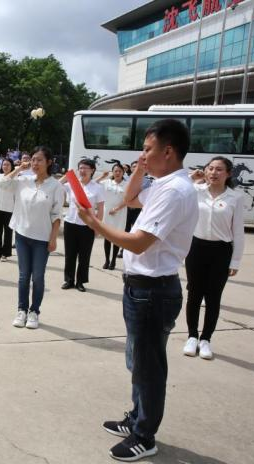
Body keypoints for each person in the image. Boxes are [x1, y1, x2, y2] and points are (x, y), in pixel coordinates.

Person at [77, 119, 197, 462]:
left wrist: (95, 224)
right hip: (141, 289)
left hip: (154, 292)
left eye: (147, 149)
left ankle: (145, 435)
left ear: (168, 151)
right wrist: (141, 169)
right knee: (138, 362)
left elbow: (140, 242)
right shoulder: (161, 184)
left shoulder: (174, 191)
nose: (142, 155)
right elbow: (130, 199)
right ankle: (136, 417)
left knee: (149, 368)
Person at [183, 157, 245, 360]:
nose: (213, 173)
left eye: (219, 169)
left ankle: (206, 339)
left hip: (221, 251)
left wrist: (235, 260)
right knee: (194, 294)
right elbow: (176, 190)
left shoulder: (235, 197)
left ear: (228, 174)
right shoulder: (195, 191)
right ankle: (192, 336)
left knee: (213, 297)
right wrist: (191, 177)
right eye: (210, 168)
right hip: (196, 248)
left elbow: (238, 232)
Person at [0, 147, 63, 329]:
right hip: (22, 235)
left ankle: (34, 311)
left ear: (49, 162)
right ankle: (21, 310)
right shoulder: (23, 180)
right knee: (23, 276)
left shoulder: (55, 186)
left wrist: (53, 239)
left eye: (39, 160)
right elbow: (3, 184)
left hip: (42, 239)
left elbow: (57, 215)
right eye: (33, 159)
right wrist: (20, 168)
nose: (35, 163)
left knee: (38, 277)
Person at [59, 159, 105, 292]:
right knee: (70, 254)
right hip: (70, 223)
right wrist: (68, 175)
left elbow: (100, 209)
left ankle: (80, 282)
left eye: (86, 168)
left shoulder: (97, 187)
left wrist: (98, 227)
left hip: (87, 226)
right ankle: (69, 280)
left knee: (84, 255)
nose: (82, 171)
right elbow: (57, 185)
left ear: (92, 170)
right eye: (80, 168)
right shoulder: (72, 184)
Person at [98, 164, 128, 270]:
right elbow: (93, 184)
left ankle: (113, 260)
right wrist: (102, 176)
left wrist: (116, 209)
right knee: (107, 236)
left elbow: (128, 200)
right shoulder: (107, 183)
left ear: (123, 172)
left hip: (120, 213)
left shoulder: (127, 184)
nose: (117, 173)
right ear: (113, 172)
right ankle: (107, 260)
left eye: (120, 171)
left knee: (116, 237)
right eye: (115, 171)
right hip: (107, 213)